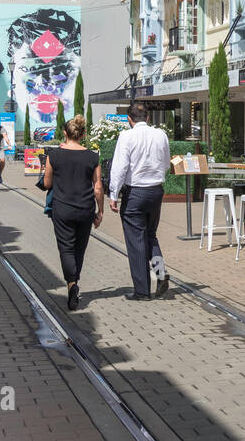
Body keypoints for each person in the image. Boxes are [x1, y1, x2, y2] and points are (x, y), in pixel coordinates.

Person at [108, 103, 171, 300]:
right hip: (155, 190)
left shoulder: (127, 136)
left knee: (136, 242)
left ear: (129, 119)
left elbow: (119, 167)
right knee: (150, 235)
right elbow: (166, 161)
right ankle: (160, 275)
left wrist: (113, 194)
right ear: (148, 117)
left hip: (135, 191)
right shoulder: (161, 135)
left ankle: (142, 291)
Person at [43, 115, 104, 311]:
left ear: (64, 133)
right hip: (85, 209)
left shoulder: (54, 155)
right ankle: (74, 281)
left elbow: (46, 183)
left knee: (66, 249)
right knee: (79, 249)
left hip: (62, 209)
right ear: (83, 134)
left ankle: (71, 284)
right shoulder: (92, 157)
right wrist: (100, 210)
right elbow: (98, 187)